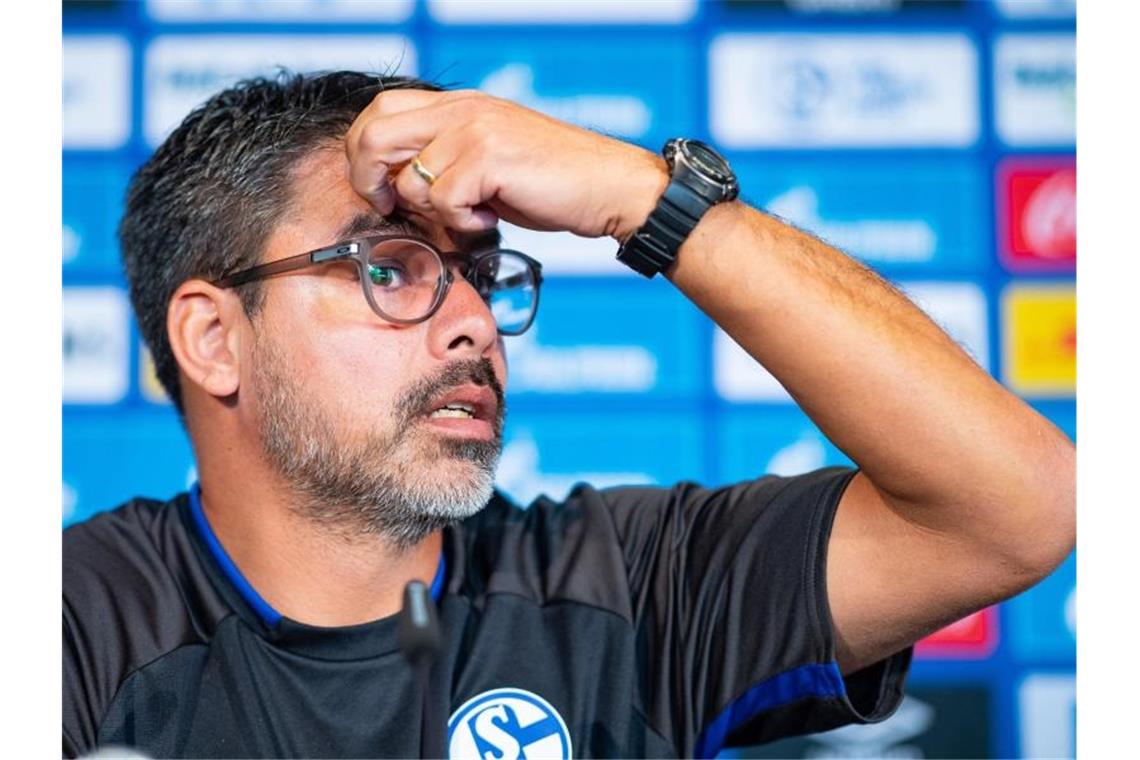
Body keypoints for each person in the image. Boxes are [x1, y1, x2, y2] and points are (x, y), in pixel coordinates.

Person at [62, 70, 1075, 759]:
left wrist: (646, 198)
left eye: (479, 273)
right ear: (211, 339)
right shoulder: (67, 625)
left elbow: (1016, 506)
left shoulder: (626, 582)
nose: (472, 324)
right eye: (389, 267)